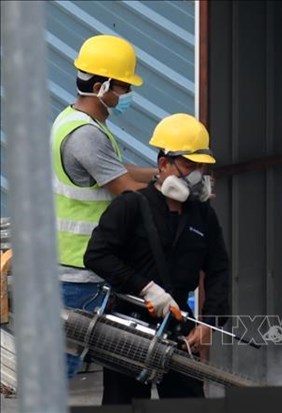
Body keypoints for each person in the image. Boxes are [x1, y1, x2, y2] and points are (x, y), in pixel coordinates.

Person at [84, 113, 231, 404]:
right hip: (127, 326)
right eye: (189, 166)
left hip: (178, 330)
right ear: (164, 164)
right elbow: (97, 255)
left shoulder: (202, 215)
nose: (197, 175)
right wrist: (145, 287)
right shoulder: (131, 207)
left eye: (201, 167)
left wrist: (209, 323)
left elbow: (218, 269)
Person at [52, 34, 157, 379]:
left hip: (75, 264)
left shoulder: (72, 120)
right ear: (101, 86)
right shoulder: (87, 136)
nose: (126, 95)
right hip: (79, 269)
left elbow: (115, 169)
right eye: (123, 88)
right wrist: (177, 192)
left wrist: (160, 173)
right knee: (63, 369)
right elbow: (127, 191)